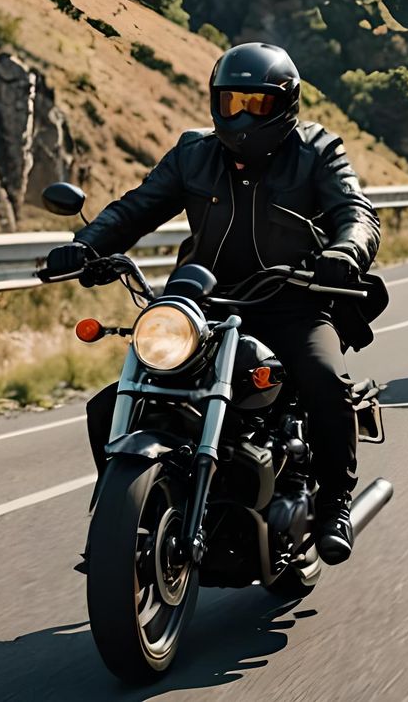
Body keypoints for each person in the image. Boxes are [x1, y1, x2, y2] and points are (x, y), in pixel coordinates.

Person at [45, 42, 381, 566]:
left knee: (323, 378)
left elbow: (356, 212)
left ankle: (335, 500)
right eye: (231, 103)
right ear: (214, 102)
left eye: (257, 103)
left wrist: (346, 251)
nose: (242, 116)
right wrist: (88, 245)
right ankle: (122, 523)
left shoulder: (317, 150)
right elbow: (136, 208)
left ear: (286, 104)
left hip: (292, 301)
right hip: (201, 305)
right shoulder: (193, 154)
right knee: (111, 404)